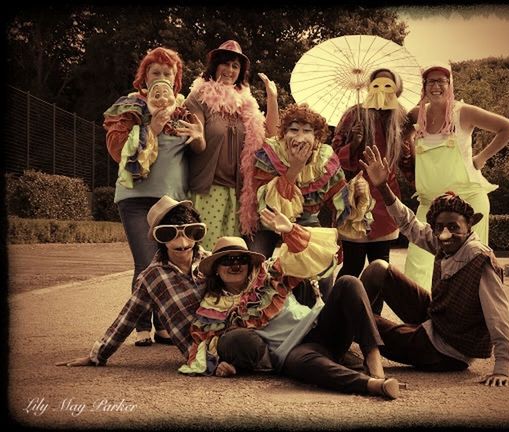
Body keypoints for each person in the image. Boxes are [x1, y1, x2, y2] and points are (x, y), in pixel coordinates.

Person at [179, 206, 404, 400]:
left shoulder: (269, 274)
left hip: (322, 326)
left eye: (241, 259)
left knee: (348, 282)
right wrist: (221, 362)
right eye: (227, 261)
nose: (235, 265)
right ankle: (372, 385)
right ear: (216, 270)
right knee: (301, 364)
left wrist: (289, 231)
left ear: (249, 263)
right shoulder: (212, 306)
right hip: (294, 352)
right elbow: (202, 344)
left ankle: (376, 367)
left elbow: (308, 259)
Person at [57, 195, 272, 375]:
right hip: (208, 351)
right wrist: (97, 355)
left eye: (189, 232)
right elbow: (127, 318)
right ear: (159, 238)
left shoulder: (210, 261)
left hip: (241, 326)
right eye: (169, 234)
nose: (182, 243)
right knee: (244, 342)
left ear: (197, 233)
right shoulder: (152, 278)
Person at [359, 145, 509, 387]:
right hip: (438, 319)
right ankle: (351, 332)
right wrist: (382, 186)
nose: (446, 234)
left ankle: (337, 338)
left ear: (469, 226)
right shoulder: (443, 241)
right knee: (378, 268)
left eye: (454, 227)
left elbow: (499, 314)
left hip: (446, 350)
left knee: (360, 317)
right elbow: (409, 224)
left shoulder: (479, 259)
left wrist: (502, 366)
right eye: (440, 227)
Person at [103, 47, 205, 346]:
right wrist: (151, 128)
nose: (161, 78)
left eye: (167, 74)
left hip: (172, 199)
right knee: (146, 261)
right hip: (136, 196)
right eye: (155, 73)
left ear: (176, 80)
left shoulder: (184, 109)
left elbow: (198, 150)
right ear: (144, 78)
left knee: (170, 259)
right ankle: (141, 326)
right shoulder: (130, 107)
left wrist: (199, 138)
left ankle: (163, 325)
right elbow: (117, 149)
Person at [402, 62, 509, 290]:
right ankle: (419, 321)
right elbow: (397, 134)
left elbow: (508, 128)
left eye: (441, 81)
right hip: (429, 205)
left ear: (450, 85)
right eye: (430, 81)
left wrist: (482, 157)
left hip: (467, 203)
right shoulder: (416, 115)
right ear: (423, 86)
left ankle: (471, 321)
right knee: (417, 269)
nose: (436, 86)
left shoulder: (463, 112)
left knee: (470, 267)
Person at [249, 103, 374, 300]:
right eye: (293, 129)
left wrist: (357, 193)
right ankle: (258, 310)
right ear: (283, 133)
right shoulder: (271, 153)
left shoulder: (325, 158)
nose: (299, 136)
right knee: (256, 263)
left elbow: (338, 198)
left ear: (316, 138)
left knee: (323, 267)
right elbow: (267, 204)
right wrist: (294, 168)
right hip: (270, 221)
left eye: (307, 130)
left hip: (307, 219)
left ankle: (322, 313)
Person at [184, 40, 280, 250]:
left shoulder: (246, 104)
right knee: (206, 254)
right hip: (207, 191)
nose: (229, 70)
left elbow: (272, 134)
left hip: (238, 195)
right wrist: (197, 134)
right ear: (215, 66)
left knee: (232, 258)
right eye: (225, 64)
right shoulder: (198, 97)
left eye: (235, 66)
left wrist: (272, 98)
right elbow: (196, 141)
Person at [331, 68, 413, 279]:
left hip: (386, 200)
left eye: (388, 85)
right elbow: (333, 161)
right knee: (353, 265)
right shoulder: (353, 115)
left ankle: (372, 313)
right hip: (355, 198)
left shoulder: (401, 119)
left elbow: (407, 165)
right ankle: (340, 310)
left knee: (380, 268)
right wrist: (354, 143)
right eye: (377, 84)